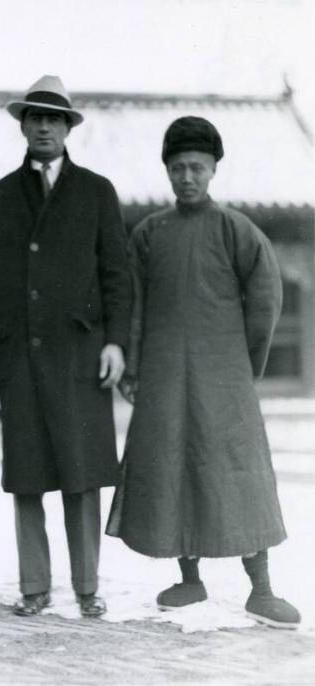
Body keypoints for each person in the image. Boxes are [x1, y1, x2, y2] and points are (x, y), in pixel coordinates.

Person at [107, 116, 301, 629]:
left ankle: (262, 589)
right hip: (165, 374)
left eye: (196, 167)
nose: (187, 177)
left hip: (225, 376)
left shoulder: (236, 230)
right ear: (167, 172)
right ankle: (190, 578)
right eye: (178, 168)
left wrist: (245, 363)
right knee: (173, 467)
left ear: (214, 169)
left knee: (240, 474)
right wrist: (135, 362)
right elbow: (135, 305)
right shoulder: (149, 234)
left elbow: (266, 297)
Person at [0, 75, 131, 617]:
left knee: (81, 474)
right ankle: (34, 588)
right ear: (22, 126)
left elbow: (118, 276)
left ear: (68, 128)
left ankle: (88, 588)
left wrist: (115, 343)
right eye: (35, 117)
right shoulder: (0, 196)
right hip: (19, 357)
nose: (44, 126)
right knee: (27, 478)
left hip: (80, 356)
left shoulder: (96, 192)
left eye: (54, 118)